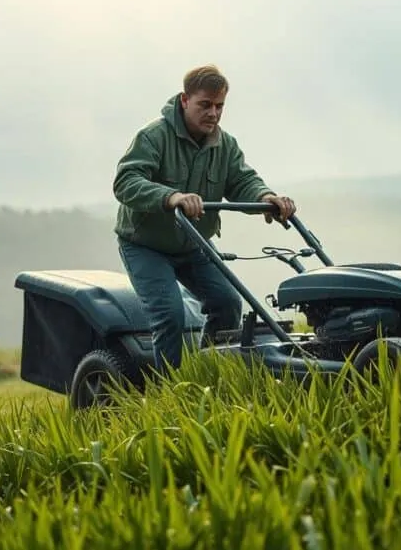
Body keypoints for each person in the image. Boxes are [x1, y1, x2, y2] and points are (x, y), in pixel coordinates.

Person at [112, 64, 296, 372]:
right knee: (170, 314)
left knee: (228, 303)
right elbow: (126, 181)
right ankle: (169, 388)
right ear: (185, 100)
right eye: (205, 105)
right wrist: (171, 197)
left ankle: (207, 372)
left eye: (219, 106)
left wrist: (267, 198)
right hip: (146, 245)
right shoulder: (154, 136)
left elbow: (243, 181)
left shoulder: (225, 145)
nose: (213, 113)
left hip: (193, 243)